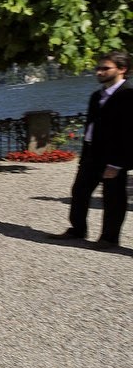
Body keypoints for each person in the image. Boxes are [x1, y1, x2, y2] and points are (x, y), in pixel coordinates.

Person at [50, 51, 132, 249]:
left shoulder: (128, 95)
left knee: (113, 198)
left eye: (105, 68)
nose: (99, 72)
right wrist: (84, 154)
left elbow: (130, 133)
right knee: (79, 191)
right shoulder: (97, 96)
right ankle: (78, 229)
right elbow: (91, 127)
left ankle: (109, 238)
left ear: (122, 69)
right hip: (92, 153)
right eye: (98, 68)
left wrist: (117, 164)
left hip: (113, 156)